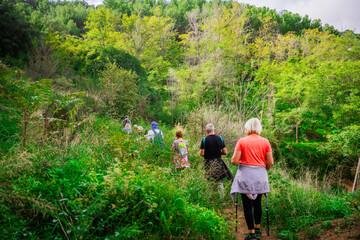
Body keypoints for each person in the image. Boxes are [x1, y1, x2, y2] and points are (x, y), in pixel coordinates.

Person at [230, 118, 274, 240]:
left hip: (245, 175)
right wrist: (263, 169)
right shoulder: (265, 141)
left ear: (247, 128)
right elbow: (270, 162)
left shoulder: (242, 141)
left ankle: (252, 234)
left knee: (247, 205)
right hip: (260, 175)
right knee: (258, 203)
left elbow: (234, 161)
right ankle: (258, 229)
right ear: (259, 127)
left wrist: (242, 161)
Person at [200, 123, 233, 196]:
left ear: (206, 130)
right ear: (214, 130)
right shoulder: (220, 138)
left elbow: (202, 154)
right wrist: (218, 152)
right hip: (218, 162)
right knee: (219, 181)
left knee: (209, 181)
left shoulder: (204, 139)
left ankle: (209, 198)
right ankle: (222, 200)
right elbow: (225, 152)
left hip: (208, 162)